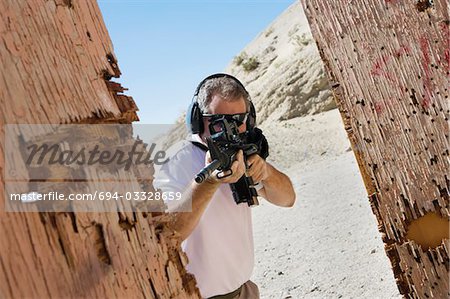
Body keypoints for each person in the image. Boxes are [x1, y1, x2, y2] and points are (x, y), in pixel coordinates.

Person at [154, 73, 295, 299]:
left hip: (244, 290)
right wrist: (209, 183)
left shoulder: (241, 152)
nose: (231, 128)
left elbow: (288, 199)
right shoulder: (177, 160)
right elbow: (169, 232)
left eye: (238, 119)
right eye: (219, 120)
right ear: (198, 120)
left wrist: (266, 172)